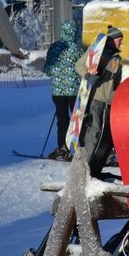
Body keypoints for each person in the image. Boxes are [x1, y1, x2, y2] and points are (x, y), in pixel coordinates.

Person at [76, 25, 124, 174]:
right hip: (95, 98)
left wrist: (118, 94)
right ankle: (86, 165)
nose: (121, 44)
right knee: (94, 130)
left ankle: (98, 164)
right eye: (119, 41)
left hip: (108, 101)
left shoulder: (117, 58)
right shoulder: (96, 52)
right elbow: (78, 65)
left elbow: (116, 80)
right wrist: (89, 76)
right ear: (111, 40)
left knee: (105, 133)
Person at [44, 20, 84, 160]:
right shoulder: (77, 49)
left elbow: (47, 69)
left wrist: (57, 76)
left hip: (58, 92)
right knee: (76, 120)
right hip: (74, 91)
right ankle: (78, 147)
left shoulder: (54, 47)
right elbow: (83, 68)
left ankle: (62, 146)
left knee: (62, 120)